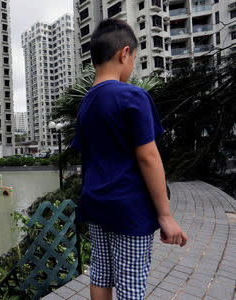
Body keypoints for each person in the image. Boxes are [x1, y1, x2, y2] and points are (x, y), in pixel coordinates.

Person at [72, 19, 187, 300]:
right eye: (134, 58)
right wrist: (165, 215)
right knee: (131, 285)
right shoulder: (133, 97)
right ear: (125, 54)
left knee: (100, 273)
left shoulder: (85, 105)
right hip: (130, 209)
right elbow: (149, 158)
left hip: (96, 204)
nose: (132, 64)